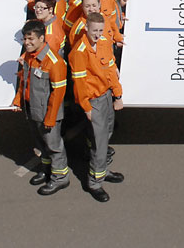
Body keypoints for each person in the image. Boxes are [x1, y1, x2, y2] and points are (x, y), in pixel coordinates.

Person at [69, 13, 124, 202]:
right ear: (86, 29)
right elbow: (80, 82)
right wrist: (86, 107)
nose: (98, 34)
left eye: (100, 30)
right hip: (93, 101)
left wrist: (118, 94)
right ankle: (94, 182)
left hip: (106, 96)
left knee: (107, 132)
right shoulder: (79, 51)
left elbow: (110, 69)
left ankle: (101, 170)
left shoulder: (103, 43)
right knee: (99, 142)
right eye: (94, 31)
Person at [11, 20, 70, 195]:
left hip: (47, 113)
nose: (27, 43)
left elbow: (58, 93)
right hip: (32, 109)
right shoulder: (29, 56)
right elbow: (24, 80)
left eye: (31, 39)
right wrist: (18, 101)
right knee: (40, 144)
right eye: (25, 39)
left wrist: (50, 118)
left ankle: (60, 178)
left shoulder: (54, 62)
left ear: (42, 38)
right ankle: (47, 170)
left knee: (53, 146)